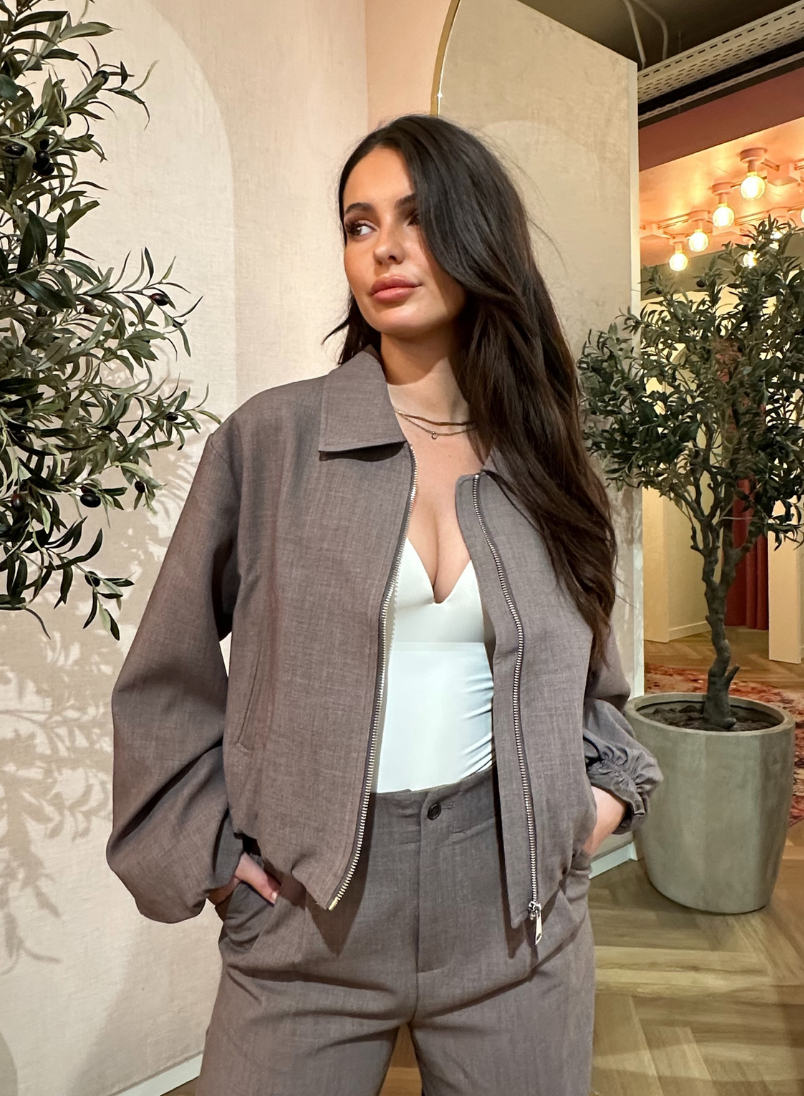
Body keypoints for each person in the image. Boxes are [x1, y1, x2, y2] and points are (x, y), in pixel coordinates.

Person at [106, 113, 662, 1096]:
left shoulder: (546, 457)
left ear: (480, 235)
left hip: (518, 923)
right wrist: (219, 861)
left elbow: (591, 682)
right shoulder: (272, 441)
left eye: (416, 217)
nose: (384, 248)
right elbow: (165, 674)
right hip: (308, 922)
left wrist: (595, 803)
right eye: (359, 225)